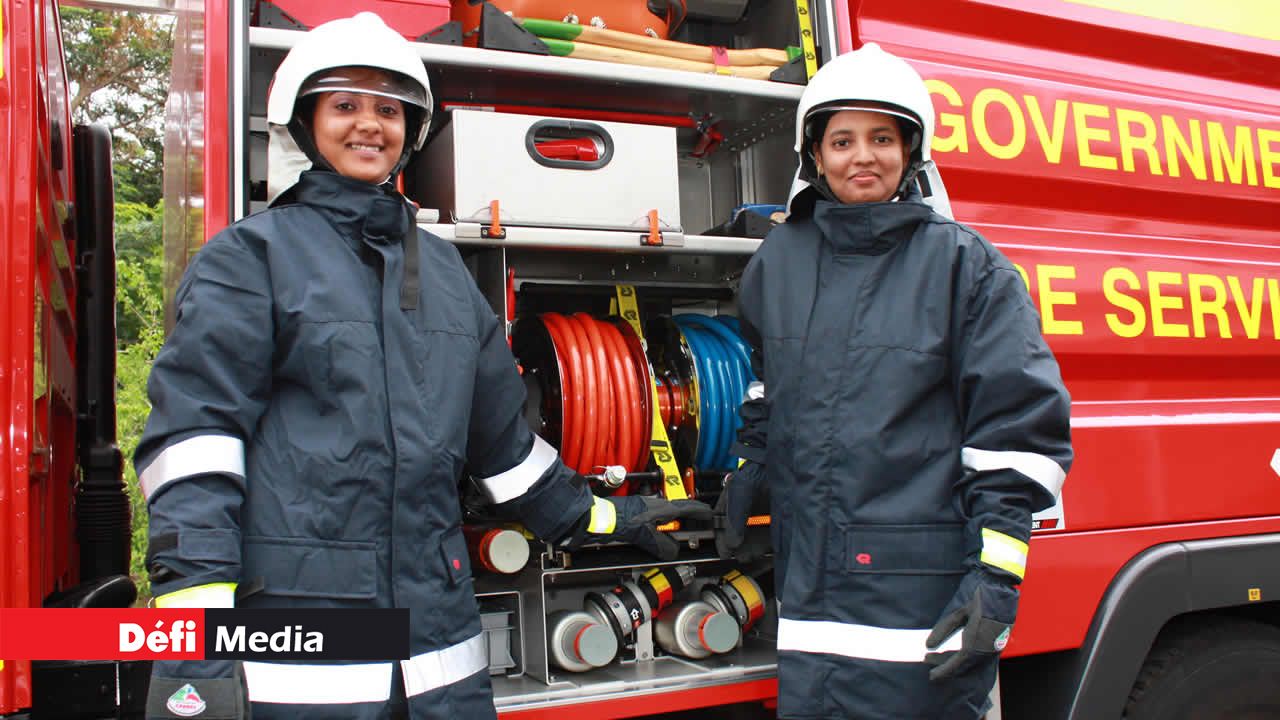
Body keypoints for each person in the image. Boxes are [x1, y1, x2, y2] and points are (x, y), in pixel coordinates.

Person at [135, 12, 708, 720]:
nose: (368, 125)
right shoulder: (250, 261)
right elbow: (194, 448)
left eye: (388, 108)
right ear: (307, 119)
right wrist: (194, 644)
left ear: (411, 127)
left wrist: (605, 519)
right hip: (299, 657)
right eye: (345, 105)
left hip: (439, 657)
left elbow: (504, 451)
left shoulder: (442, 275)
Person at [715, 43, 1073, 719]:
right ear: (814, 155)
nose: (863, 157)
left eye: (882, 137)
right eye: (842, 139)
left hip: (918, 605)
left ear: (911, 150)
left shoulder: (968, 269)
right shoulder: (779, 262)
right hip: (811, 597)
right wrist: (751, 463)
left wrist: (996, 579)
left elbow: (1017, 436)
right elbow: (769, 382)